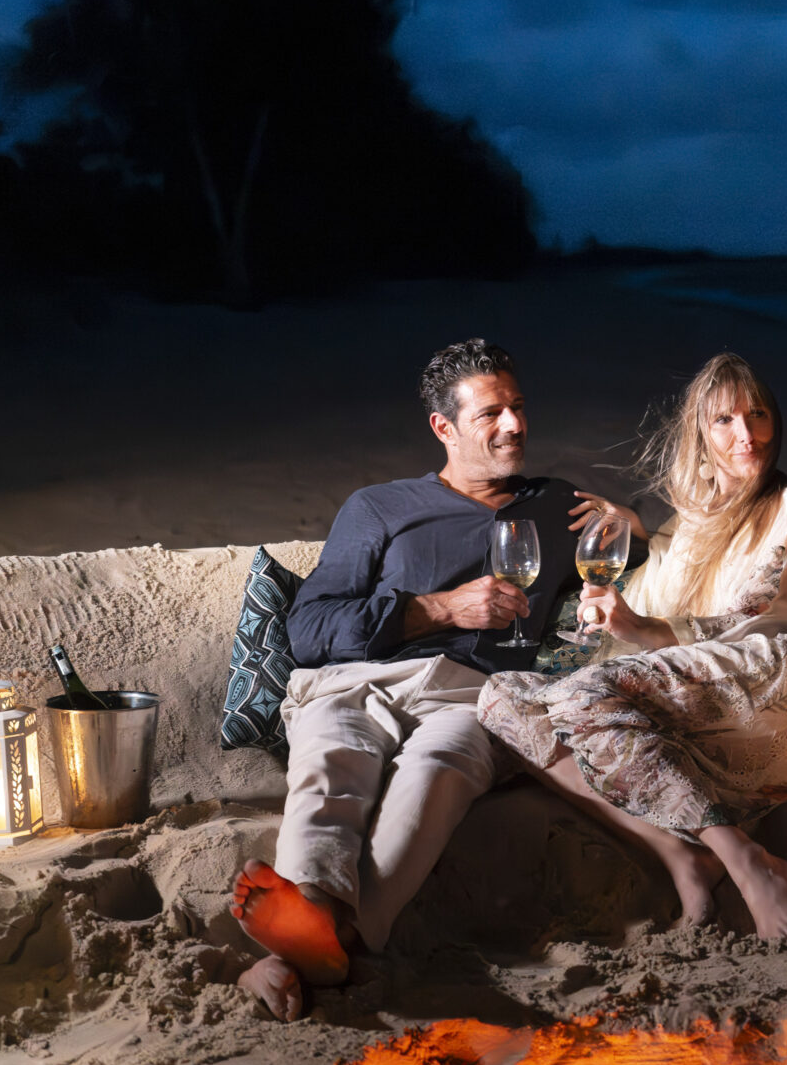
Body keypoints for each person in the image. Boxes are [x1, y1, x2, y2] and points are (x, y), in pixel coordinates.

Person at [228, 338, 630, 1019]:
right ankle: (317, 928)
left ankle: (310, 945)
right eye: (492, 414)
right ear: (443, 428)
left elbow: (633, 557)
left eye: (520, 407)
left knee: (438, 768)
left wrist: (634, 529)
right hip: (358, 683)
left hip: (471, 694)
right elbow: (309, 629)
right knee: (333, 759)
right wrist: (439, 608)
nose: (515, 426)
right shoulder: (380, 508)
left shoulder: (559, 507)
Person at [478, 353, 787, 942]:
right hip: (702, 684)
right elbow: (639, 613)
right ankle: (684, 853)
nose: (746, 434)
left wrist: (645, 632)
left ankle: (746, 862)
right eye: (724, 421)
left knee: (586, 696)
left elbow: (774, 614)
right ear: (700, 435)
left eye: (757, 414)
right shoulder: (685, 523)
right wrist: (628, 556)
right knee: (499, 700)